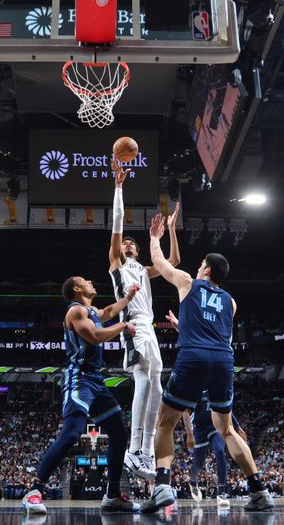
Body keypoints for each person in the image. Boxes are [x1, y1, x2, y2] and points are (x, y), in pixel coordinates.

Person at [140, 214, 274, 513]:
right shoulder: (231, 301)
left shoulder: (189, 282)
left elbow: (159, 263)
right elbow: (214, 331)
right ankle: (260, 491)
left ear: (206, 269)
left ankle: (162, 486)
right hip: (223, 360)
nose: (198, 267)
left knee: (166, 421)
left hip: (194, 357)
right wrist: (183, 327)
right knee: (227, 430)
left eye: (201, 264)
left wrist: (154, 236)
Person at [21, 276, 142, 514]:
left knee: (119, 434)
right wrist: (123, 326)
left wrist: (128, 297)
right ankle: (34, 491)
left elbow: (107, 311)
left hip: (96, 379)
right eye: (85, 280)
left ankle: (113, 495)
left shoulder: (90, 310)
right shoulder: (75, 311)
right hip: (80, 378)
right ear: (77, 289)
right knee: (72, 432)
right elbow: (96, 336)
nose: (90, 281)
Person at [109, 159, 180, 480]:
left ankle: (146, 453)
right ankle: (133, 450)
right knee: (142, 381)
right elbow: (117, 223)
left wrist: (169, 233)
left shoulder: (144, 270)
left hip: (150, 330)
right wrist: (119, 186)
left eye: (131, 243)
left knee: (156, 385)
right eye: (125, 243)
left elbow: (173, 262)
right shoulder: (118, 265)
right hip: (133, 327)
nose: (127, 243)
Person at [182, 389, 244, 508]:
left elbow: (226, 408)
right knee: (198, 463)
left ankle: (221, 492)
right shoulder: (195, 388)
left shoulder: (217, 386)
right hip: (199, 428)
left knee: (220, 451)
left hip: (215, 425)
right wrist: (189, 434)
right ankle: (192, 481)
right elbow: (185, 413)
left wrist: (238, 427)